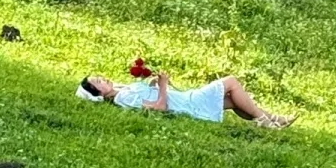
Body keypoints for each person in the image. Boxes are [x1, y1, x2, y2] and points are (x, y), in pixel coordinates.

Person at [77, 71, 295, 128]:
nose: (103, 79)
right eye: (99, 82)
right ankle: (265, 121)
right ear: (99, 93)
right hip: (188, 103)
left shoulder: (122, 92)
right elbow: (159, 108)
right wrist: (162, 85)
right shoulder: (123, 97)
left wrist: (153, 85)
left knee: (232, 100)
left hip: (185, 98)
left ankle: (274, 118)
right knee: (230, 82)